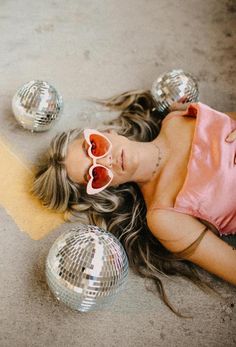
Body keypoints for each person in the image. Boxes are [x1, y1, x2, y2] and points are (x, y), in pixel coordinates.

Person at [32, 90, 236, 316]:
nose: (105, 160)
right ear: (103, 189)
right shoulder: (163, 217)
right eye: (95, 174)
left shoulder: (176, 119)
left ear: (106, 133)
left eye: (94, 147)